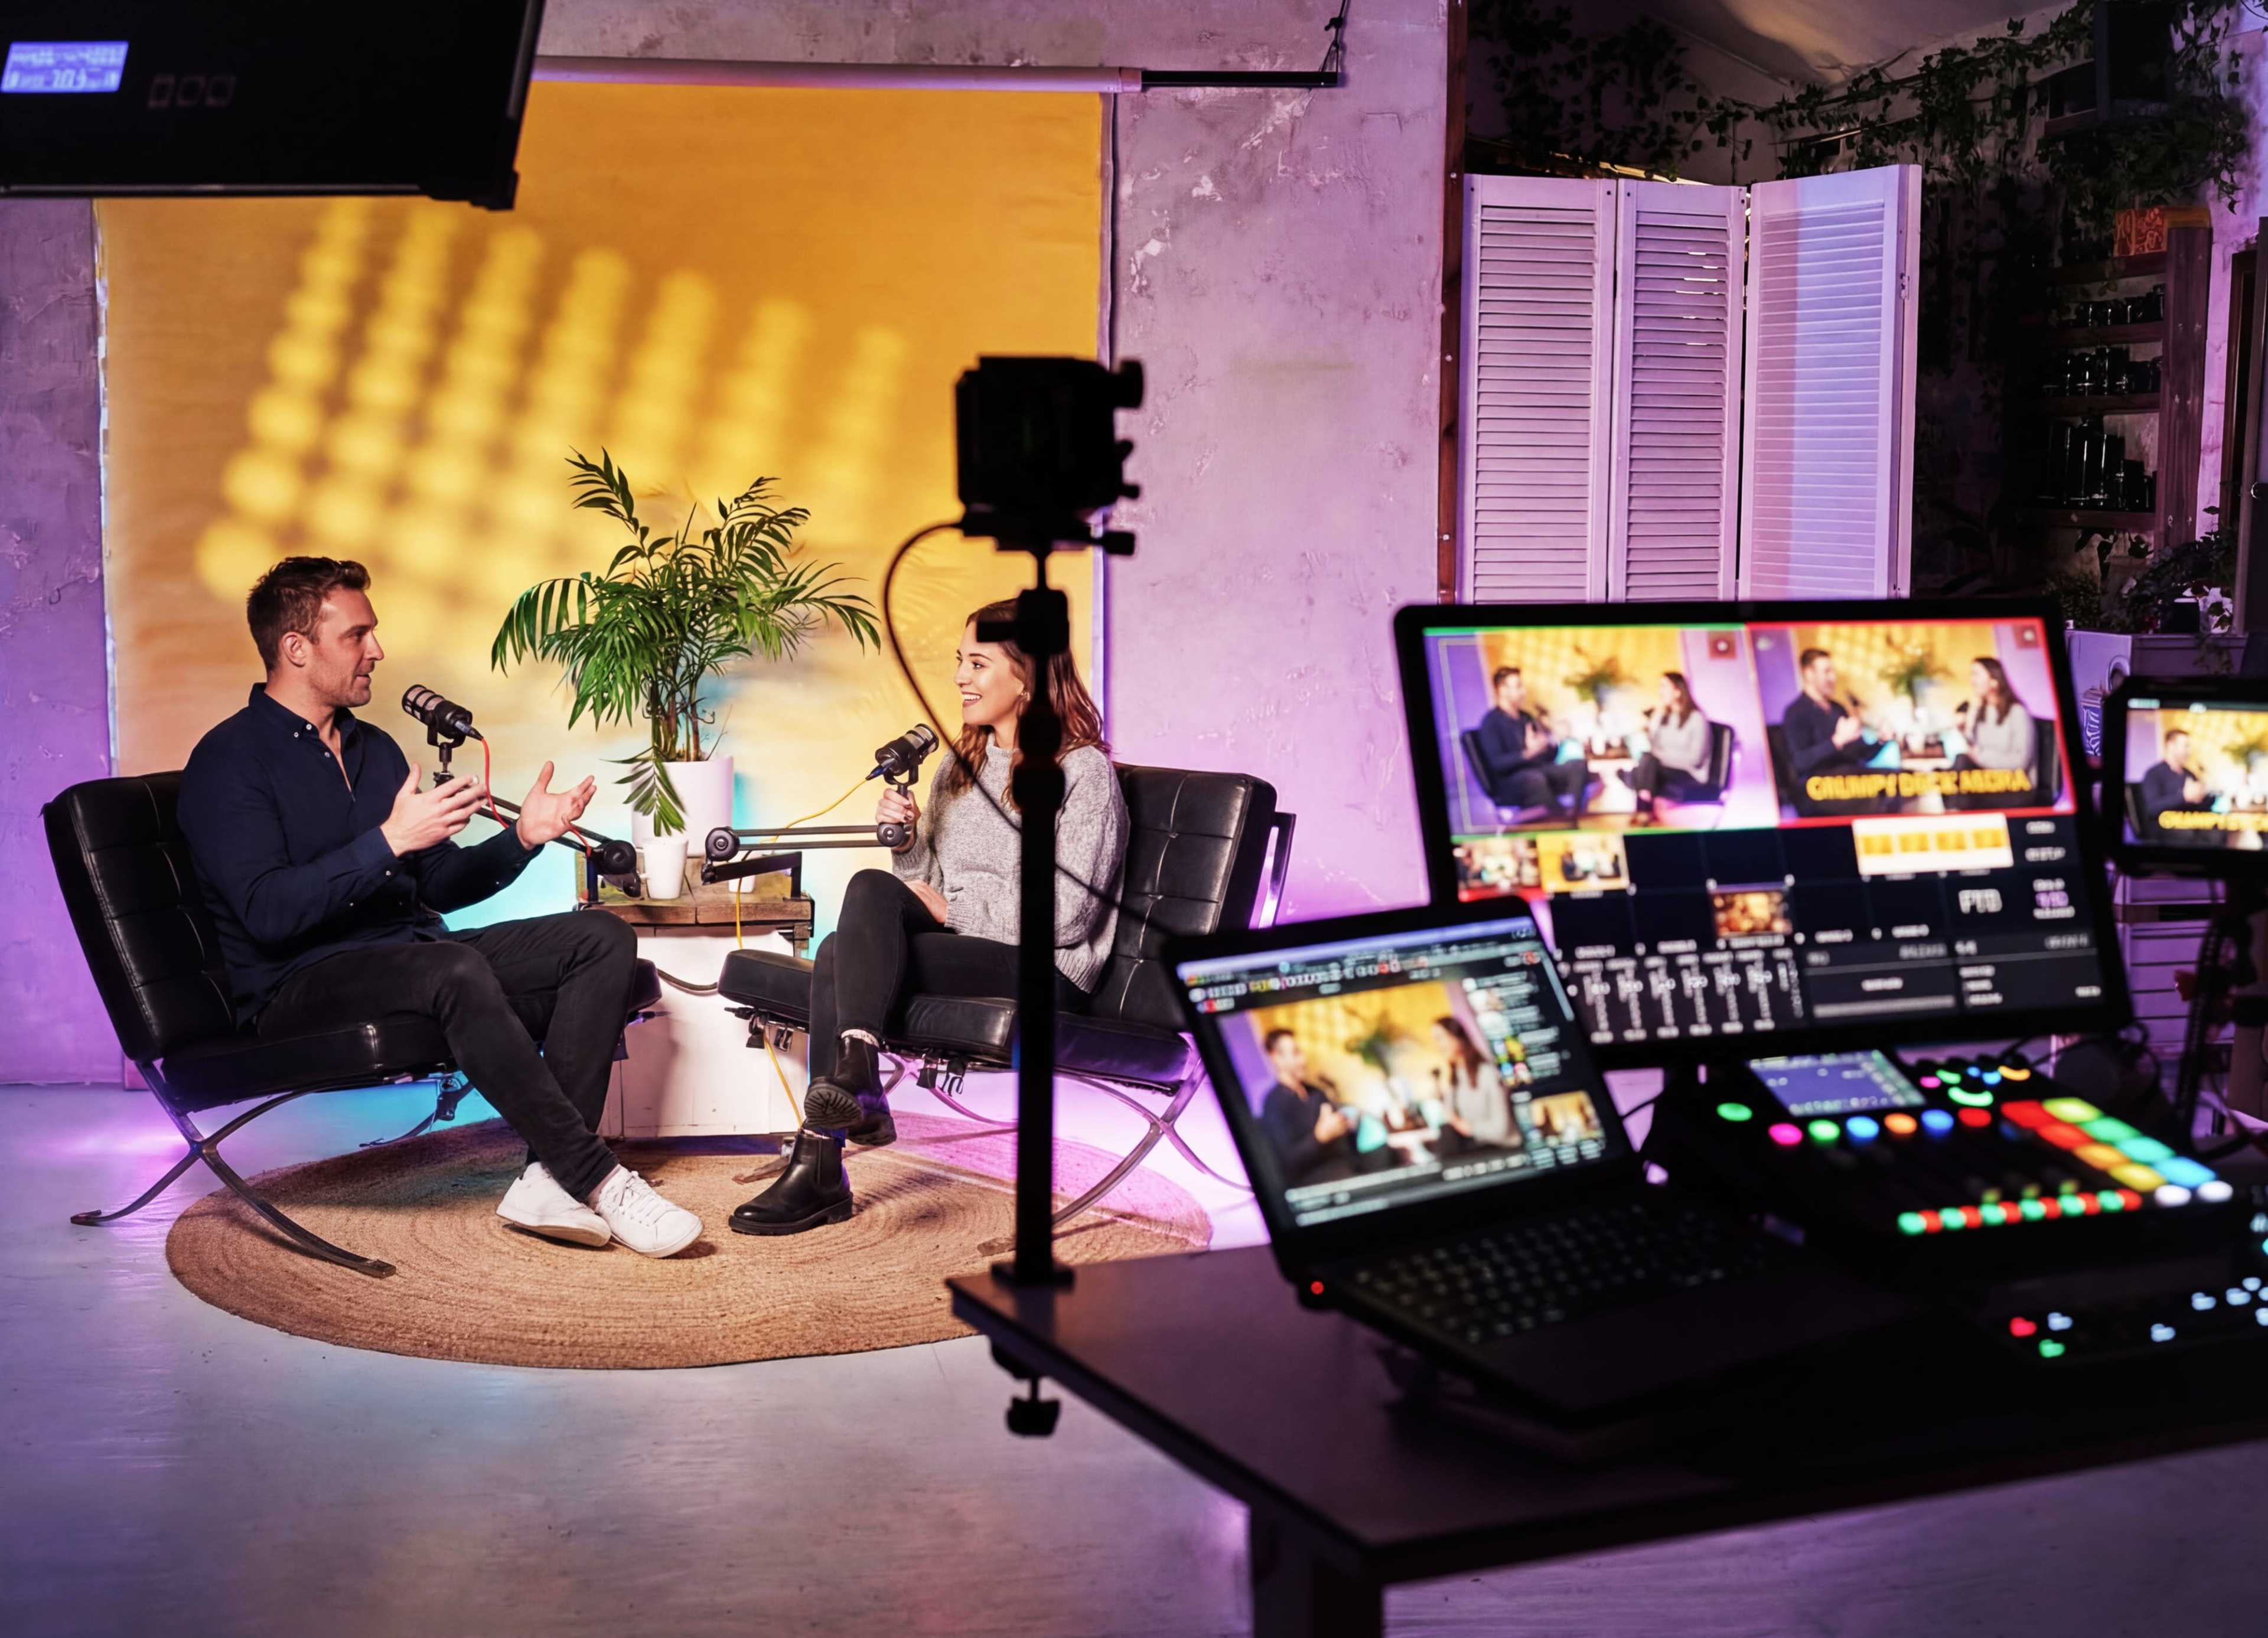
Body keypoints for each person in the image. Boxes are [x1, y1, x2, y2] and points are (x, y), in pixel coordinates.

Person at [176, 557, 702, 1258]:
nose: (378, 650)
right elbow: (269, 913)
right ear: (295, 648)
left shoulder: (376, 749)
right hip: (298, 981)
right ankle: (596, 1176)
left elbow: (441, 884)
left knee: (600, 937)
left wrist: (522, 838)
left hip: (415, 956)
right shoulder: (229, 760)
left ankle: (547, 1177)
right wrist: (390, 838)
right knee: (451, 969)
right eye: (358, 634)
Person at [732, 598, 1129, 1235]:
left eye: (977, 662)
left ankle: (824, 1158)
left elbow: (1069, 915)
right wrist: (906, 842)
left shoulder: (1082, 773)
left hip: (1045, 970)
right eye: (958, 662)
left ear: (1027, 676)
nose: (959, 678)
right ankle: (852, 1086)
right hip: (967, 949)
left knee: (838, 953)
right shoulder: (958, 767)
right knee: (850, 925)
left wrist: (954, 907)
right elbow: (922, 891)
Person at [1472, 667, 1589, 819]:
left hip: (1539, 771)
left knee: (1578, 765)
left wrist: (1554, 740)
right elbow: (1498, 764)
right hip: (1512, 781)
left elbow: (1548, 757)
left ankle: (1573, 814)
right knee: (1535, 779)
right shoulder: (1491, 722)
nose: (1524, 692)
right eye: (1519, 686)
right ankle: (1558, 819)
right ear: (1502, 690)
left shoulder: (1526, 717)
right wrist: (1528, 754)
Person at [1778, 648, 1877, 815]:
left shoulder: (1838, 708)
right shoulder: (1796, 712)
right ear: (1809, 674)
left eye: (1833, 672)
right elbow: (1800, 762)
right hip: (1823, 791)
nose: (1833, 678)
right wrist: (1837, 741)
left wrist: (1881, 741)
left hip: (1854, 782)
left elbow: (1862, 755)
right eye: (1827, 672)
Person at [1256, 1029, 1360, 1187]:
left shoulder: (1316, 1092)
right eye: (1296, 1053)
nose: (1303, 1059)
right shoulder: (1273, 1104)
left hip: (1346, 1167)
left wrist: (1346, 1125)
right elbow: (1287, 1162)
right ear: (1276, 1057)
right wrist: (1319, 1137)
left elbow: (1342, 1137)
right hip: (1315, 1182)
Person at [1622, 671, 1714, 825]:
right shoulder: (1666, 717)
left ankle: (1643, 808)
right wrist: (1654, 724)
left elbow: (1695, 759)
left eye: (1664, 687)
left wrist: (1661, 757)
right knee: (1646, 759)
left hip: (1690, 772)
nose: (1660, 691)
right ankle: (1645, 807)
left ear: (1678, 692)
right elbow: (1654, 748)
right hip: (1664, 768)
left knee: (1647, 763)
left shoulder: (1697, 719)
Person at [1950, 656, 2038, 809]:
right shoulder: (1982, 710)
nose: (1972, 681)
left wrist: (1980, 756)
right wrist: (1967, 722)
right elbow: (1974, 745)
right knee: (1961, 761)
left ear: (1994, 681)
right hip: (1989, 778)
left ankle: (1956, 812)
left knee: (1964, 784)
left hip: (2016, 783)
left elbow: (2020, 762)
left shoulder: (2017, 712)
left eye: (1976, 674)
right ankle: (1956, 811)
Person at [1432, 1016, 1512, 1149]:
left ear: (1458, 1037)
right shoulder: (1455, 1078)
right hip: (1476, 1145)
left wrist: (1467, 1127)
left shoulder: (1488, 1073)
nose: (1438, 1046)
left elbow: (1501, 1130)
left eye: (1441, 1038)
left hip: (1502, 1146)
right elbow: (1450, 1116)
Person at [2138, 728, 2212, 838]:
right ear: (2171, 746)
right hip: (2164, 827)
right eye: (2186, 746)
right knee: (2188, 835)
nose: (2189, 751)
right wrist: (2183, 797)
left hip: (2189, 824)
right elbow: (2152, 808)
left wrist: (2205, 797)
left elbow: (2198, 807)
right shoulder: (2154, 774)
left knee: (2217, 831)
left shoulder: (2189, 774)